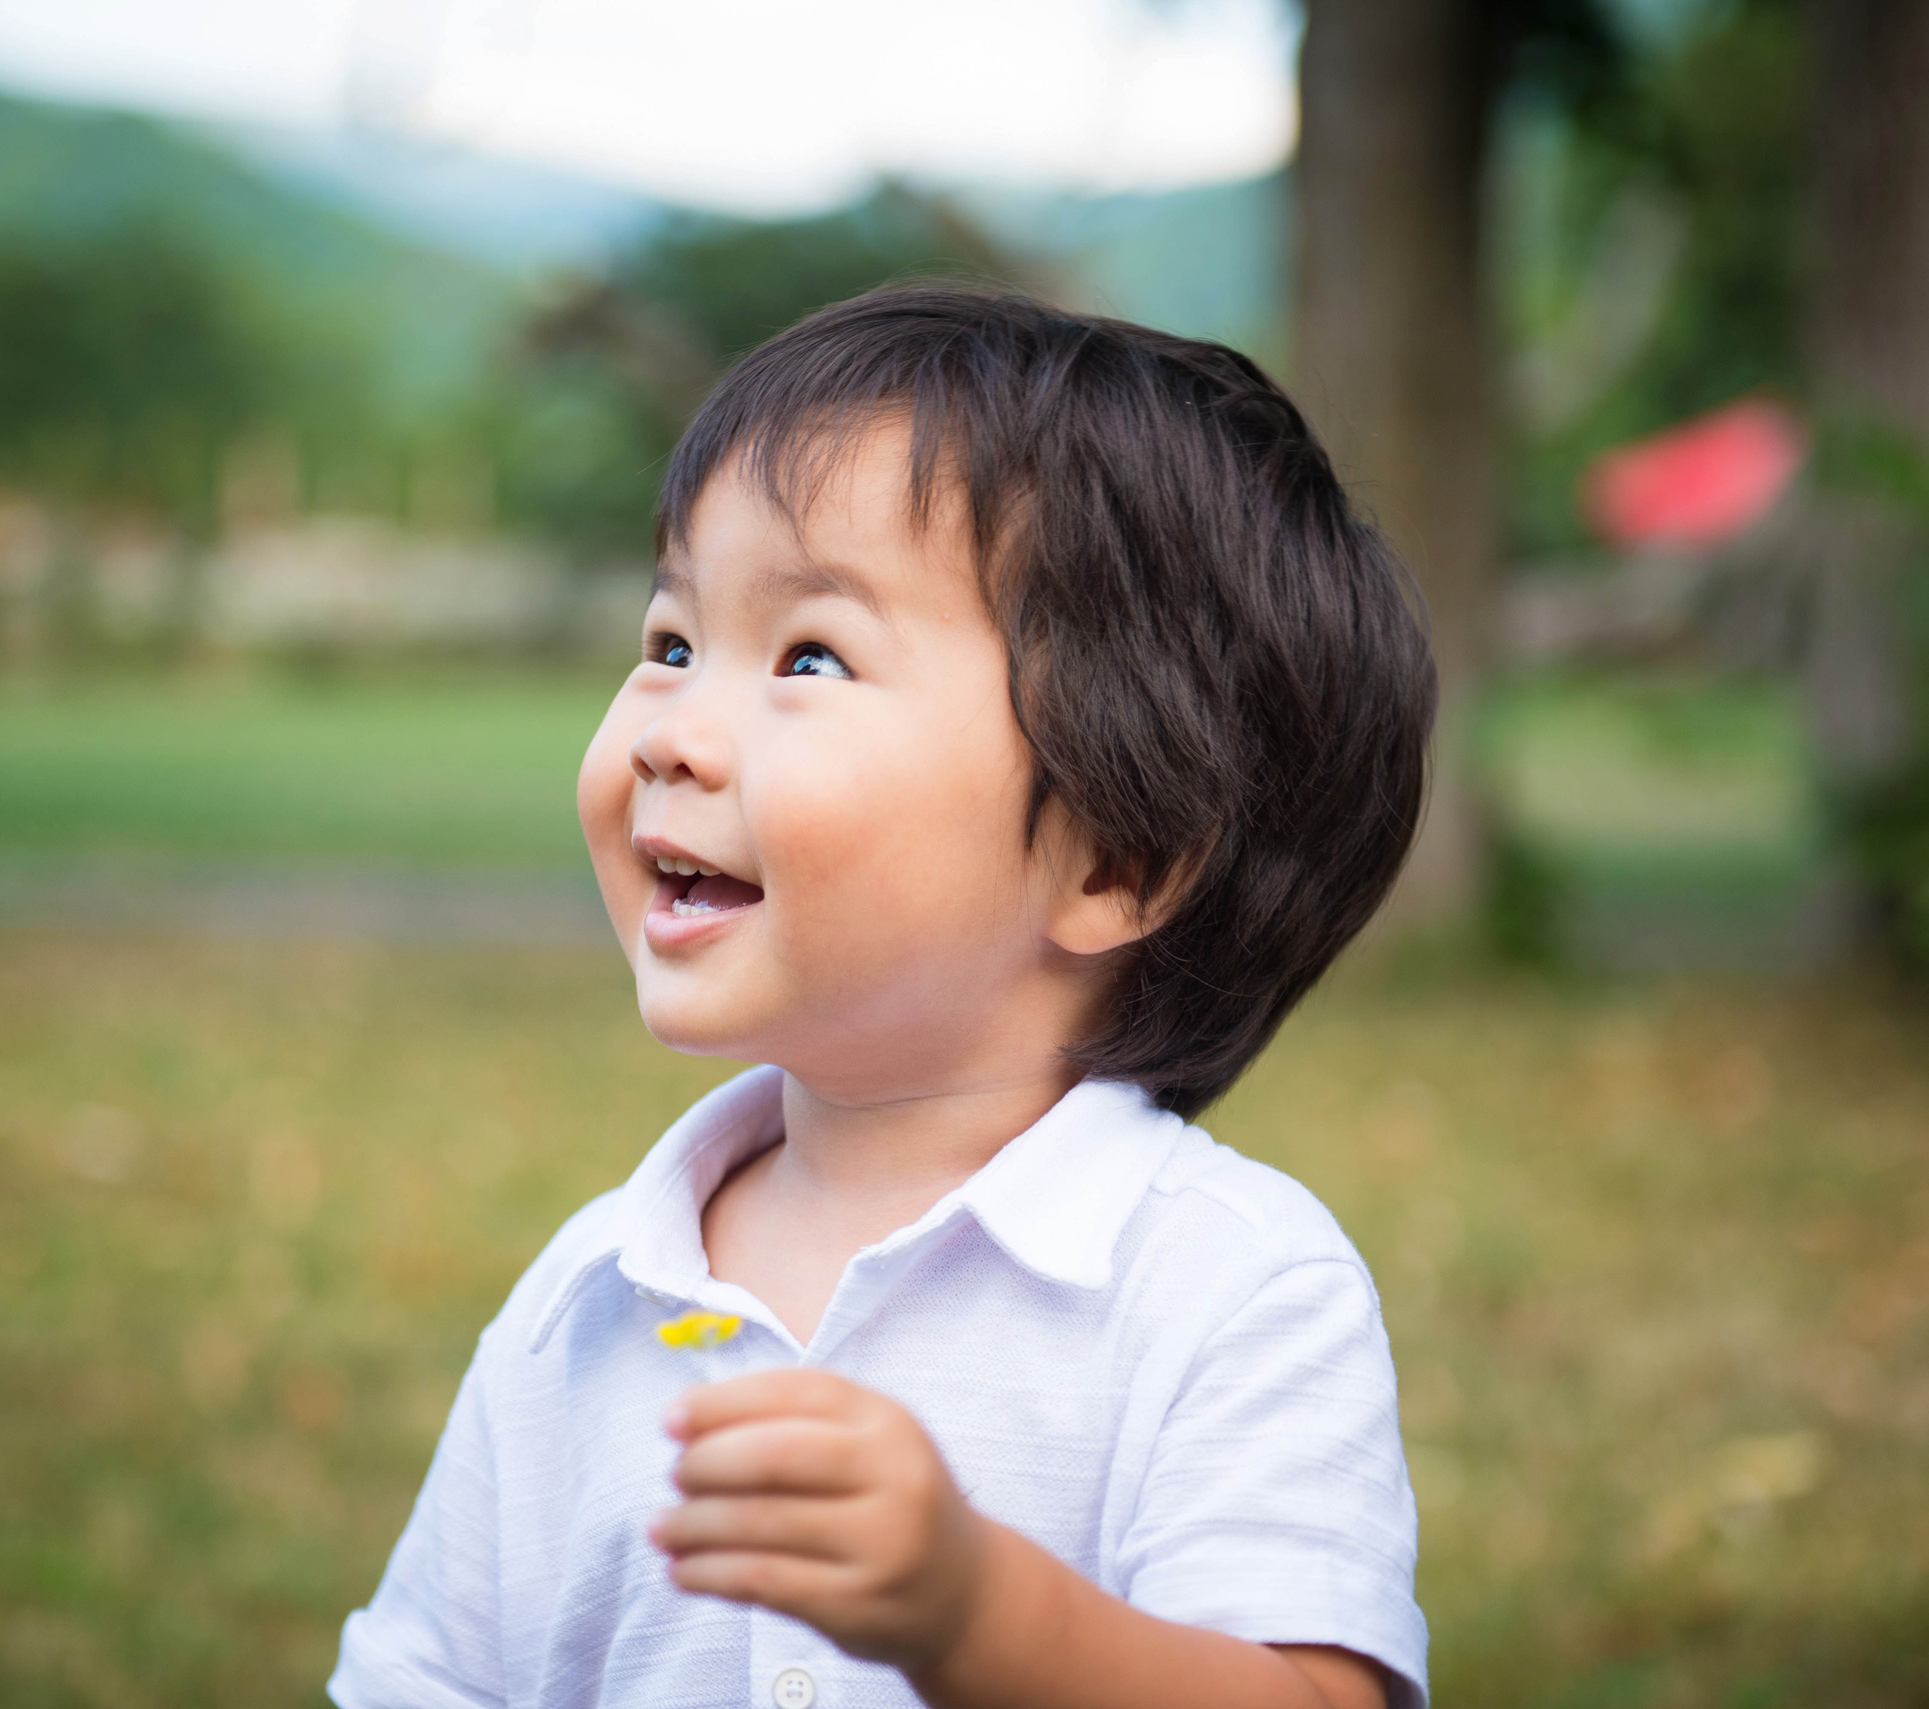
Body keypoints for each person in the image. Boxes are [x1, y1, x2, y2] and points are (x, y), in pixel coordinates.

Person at [331, 284, 1438, 1709]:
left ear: (1117, 854)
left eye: (809, 656)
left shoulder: (1225, 1287)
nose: (671, 731)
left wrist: (976, 1611)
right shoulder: (593, 1298)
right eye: (672, 640)